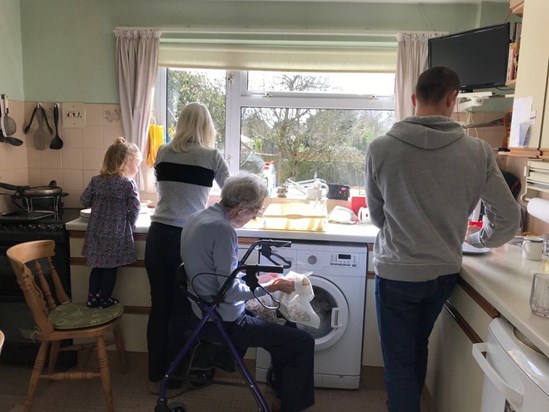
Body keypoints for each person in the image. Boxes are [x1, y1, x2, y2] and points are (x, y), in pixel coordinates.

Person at [365, 66, 520, 412]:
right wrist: (479, 240)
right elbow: (508, 220)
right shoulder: (478, 152)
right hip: (442, 274)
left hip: (398, 272)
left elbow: (377, 217)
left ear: (412, 99)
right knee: (418, 346)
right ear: (453, 100)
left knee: (398, 359)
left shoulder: (380, 148)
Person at [181, 172, 315, 412]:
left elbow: (219, 277)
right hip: (225, 320)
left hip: (203, 310)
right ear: (241, 206)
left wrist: (260, 279)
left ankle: (283, 393)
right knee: (302, 342)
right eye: (255, 210)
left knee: (285, 322)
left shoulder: (196, 217)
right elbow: (230, 293)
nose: (254, 217)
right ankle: (289, 406)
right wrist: (272, 286)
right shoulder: (224, 230)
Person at [145, 102, 230, 395]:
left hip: (157, 235)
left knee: (159, 307)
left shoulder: (163, 152)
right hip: (188, 237)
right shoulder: (211, 156)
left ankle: (157, 374)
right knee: (183, 309)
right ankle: (176, 376)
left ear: (180, 123)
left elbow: (166, 190)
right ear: (207, 126)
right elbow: (232, 193)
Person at [81, 137, 142, 309]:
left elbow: (84, 200)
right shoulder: (128, 184)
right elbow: (135, 208)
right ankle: (104, 299)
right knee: (110, 269)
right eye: (136, 164)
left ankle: (92, 298)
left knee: (97, 267)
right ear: (126, 163)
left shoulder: (96, 181)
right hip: (115, 234)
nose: (137, 169)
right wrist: (130, 223)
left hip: (96, 233)